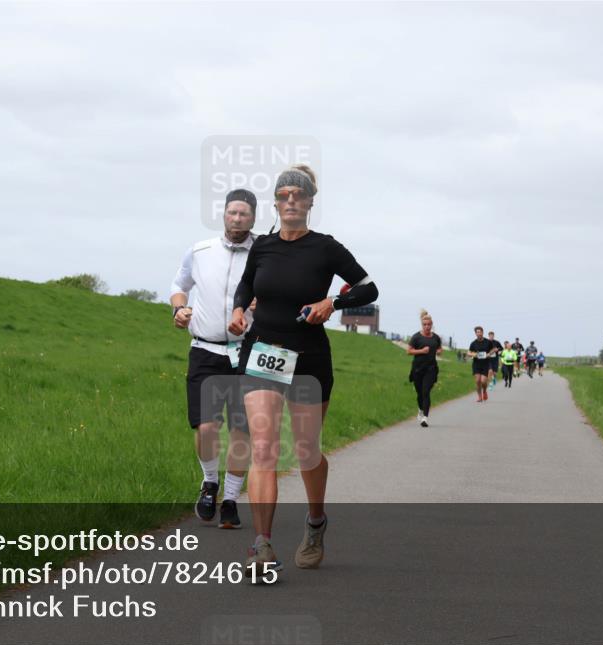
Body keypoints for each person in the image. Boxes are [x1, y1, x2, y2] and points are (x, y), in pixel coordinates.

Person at [228, 164, 378, 578]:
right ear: (276, 203)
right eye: (284, 194)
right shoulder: (262, 248)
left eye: (299, 194)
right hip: (263, 353)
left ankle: (315, 523)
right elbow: (246, 285)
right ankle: (262, 545)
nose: (291, 199)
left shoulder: (326, 248)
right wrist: (240, 309)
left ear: (311, 202)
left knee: (307, 449)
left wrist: (334, 302)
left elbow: (368, 287)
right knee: (263, 448)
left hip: (309, 357)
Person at [170, 189, 257, 529]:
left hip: (246, 353)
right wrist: (180, 308)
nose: (237, 219)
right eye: (233, 213)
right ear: (224, 214)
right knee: (206, 426)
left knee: (242, 431)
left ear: (253, 217)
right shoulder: (201, 251)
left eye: (244, 214)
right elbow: (179, 284)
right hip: (205, 349)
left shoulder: (263, 252)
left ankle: (232, 499)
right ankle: (210, 483)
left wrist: (256, 307)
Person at [407, 310, 442, 427]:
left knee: (426, 392)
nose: (427, 326)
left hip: (431, 369)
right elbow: (409, 351)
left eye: (429, 324)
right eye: (424, 324)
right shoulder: (416, 337)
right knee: (419, 393)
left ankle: (425, 418)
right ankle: (420, 410)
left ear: (432, 325)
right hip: (417, 369)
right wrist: (421, 351)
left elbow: (439, 348)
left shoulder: (436, 338)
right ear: (422, 325)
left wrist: (439, 351)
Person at [467, 326, 494, 402]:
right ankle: (479, 397)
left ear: (482, 332)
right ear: (475, 333)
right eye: (477, 332)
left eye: (480, 332)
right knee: (477, 381)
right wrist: (473, 354)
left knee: (483, 381)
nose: (478, 333)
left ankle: (484, 391)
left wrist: (489, 354)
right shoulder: (473, 343)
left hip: (485, 364)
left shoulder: (488, 342)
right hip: (476, 364)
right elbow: (468, 352)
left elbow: (493, 349)